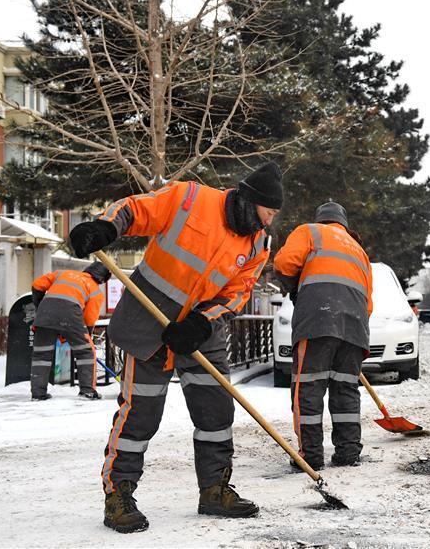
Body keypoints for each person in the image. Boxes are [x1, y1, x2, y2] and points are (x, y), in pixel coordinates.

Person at [68, 162, 282, 534]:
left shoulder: (259, 244)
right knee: (141, 412)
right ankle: (119, 494)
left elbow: (237, 293)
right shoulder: (191, 197)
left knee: (216, 412)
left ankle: (215, 490)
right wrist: (106, 227)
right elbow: (137, 209)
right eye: (268, 212)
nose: (268, 223)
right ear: (250, 201)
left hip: (200, 332)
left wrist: (203, 321)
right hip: (149, 321)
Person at [272, 201, 373, 470]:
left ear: (321, 219)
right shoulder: (359, 250)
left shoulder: (310, 232)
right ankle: (348, 452)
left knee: (308, 387)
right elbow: (368, 302)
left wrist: (295, 287)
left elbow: (283, 263)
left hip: (318, 320)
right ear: (343, 223)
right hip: (355, 326)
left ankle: (311, 455)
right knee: (345, 388)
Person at [30, 262, 111, 400]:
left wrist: (40, 308)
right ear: (102, 279)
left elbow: (37, 285)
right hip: (71, 315)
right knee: (86, 352)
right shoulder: (95, 290)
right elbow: (89, 319)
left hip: (44, 315)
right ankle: (87, 391)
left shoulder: (62, 273)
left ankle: (38, 394)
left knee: (41, 355)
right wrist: (86, 335)